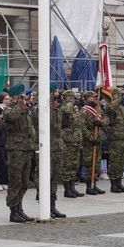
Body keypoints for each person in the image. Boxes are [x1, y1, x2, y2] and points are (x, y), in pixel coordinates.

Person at [4, 84, 36, 223]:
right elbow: (12, 117)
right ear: (16, 95)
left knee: (24, 181)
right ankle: (13, 210)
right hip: (15, 149)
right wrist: (19, 103)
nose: (25, 96)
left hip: (27, 148)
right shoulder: (10, 108)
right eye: (22, 94)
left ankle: (19, 207)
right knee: (15, 181)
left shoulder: (25, 108)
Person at [79, 91, 106, 195]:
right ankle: (88, 186)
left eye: (95, 97)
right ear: (87, 98)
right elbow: (82, 126)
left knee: (97, 164)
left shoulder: (97, 109)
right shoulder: (84, 111)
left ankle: (94, 184)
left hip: (97, 139)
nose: (95, 99)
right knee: (89, 164)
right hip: (88, 142)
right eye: (92, 97)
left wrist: (101, 123)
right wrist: (90, 138)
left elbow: (106, 119)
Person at [105, 87, 124, 193]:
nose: (119, 97)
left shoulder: (122, 108)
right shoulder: (111, 106)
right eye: (117, 95)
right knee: (114, 162)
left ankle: (119, 182)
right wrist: (118, 100)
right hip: (116, 138)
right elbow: (111, 108)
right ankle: (113, 184)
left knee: (122, 162)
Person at [49, 86, 66, 218]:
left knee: (55, 179)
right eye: (55, 92)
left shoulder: (57, 109)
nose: (57, 94)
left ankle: (52, 206)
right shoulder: (42, 108)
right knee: (46, 178)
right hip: (48, 148)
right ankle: (46, 205)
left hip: (57, 147)